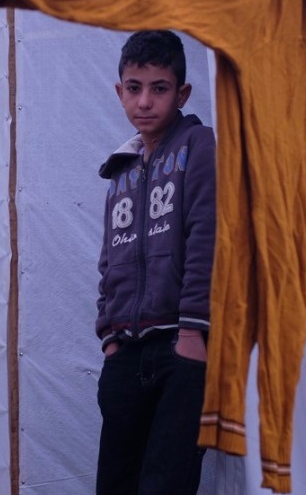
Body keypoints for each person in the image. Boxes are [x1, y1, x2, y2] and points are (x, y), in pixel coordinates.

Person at [95, 30, 217, 495]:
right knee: (116, 484)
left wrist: (191, 331)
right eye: (133, 87)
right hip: (126, 349)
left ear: (181, 92)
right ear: (120, 91)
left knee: (165, 484)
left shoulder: (198, 146)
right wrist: (110, 339)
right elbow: (111, 258)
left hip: (179, 346)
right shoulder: (120, 170)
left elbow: (206, 235)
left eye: (159, 88)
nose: (145, 101)